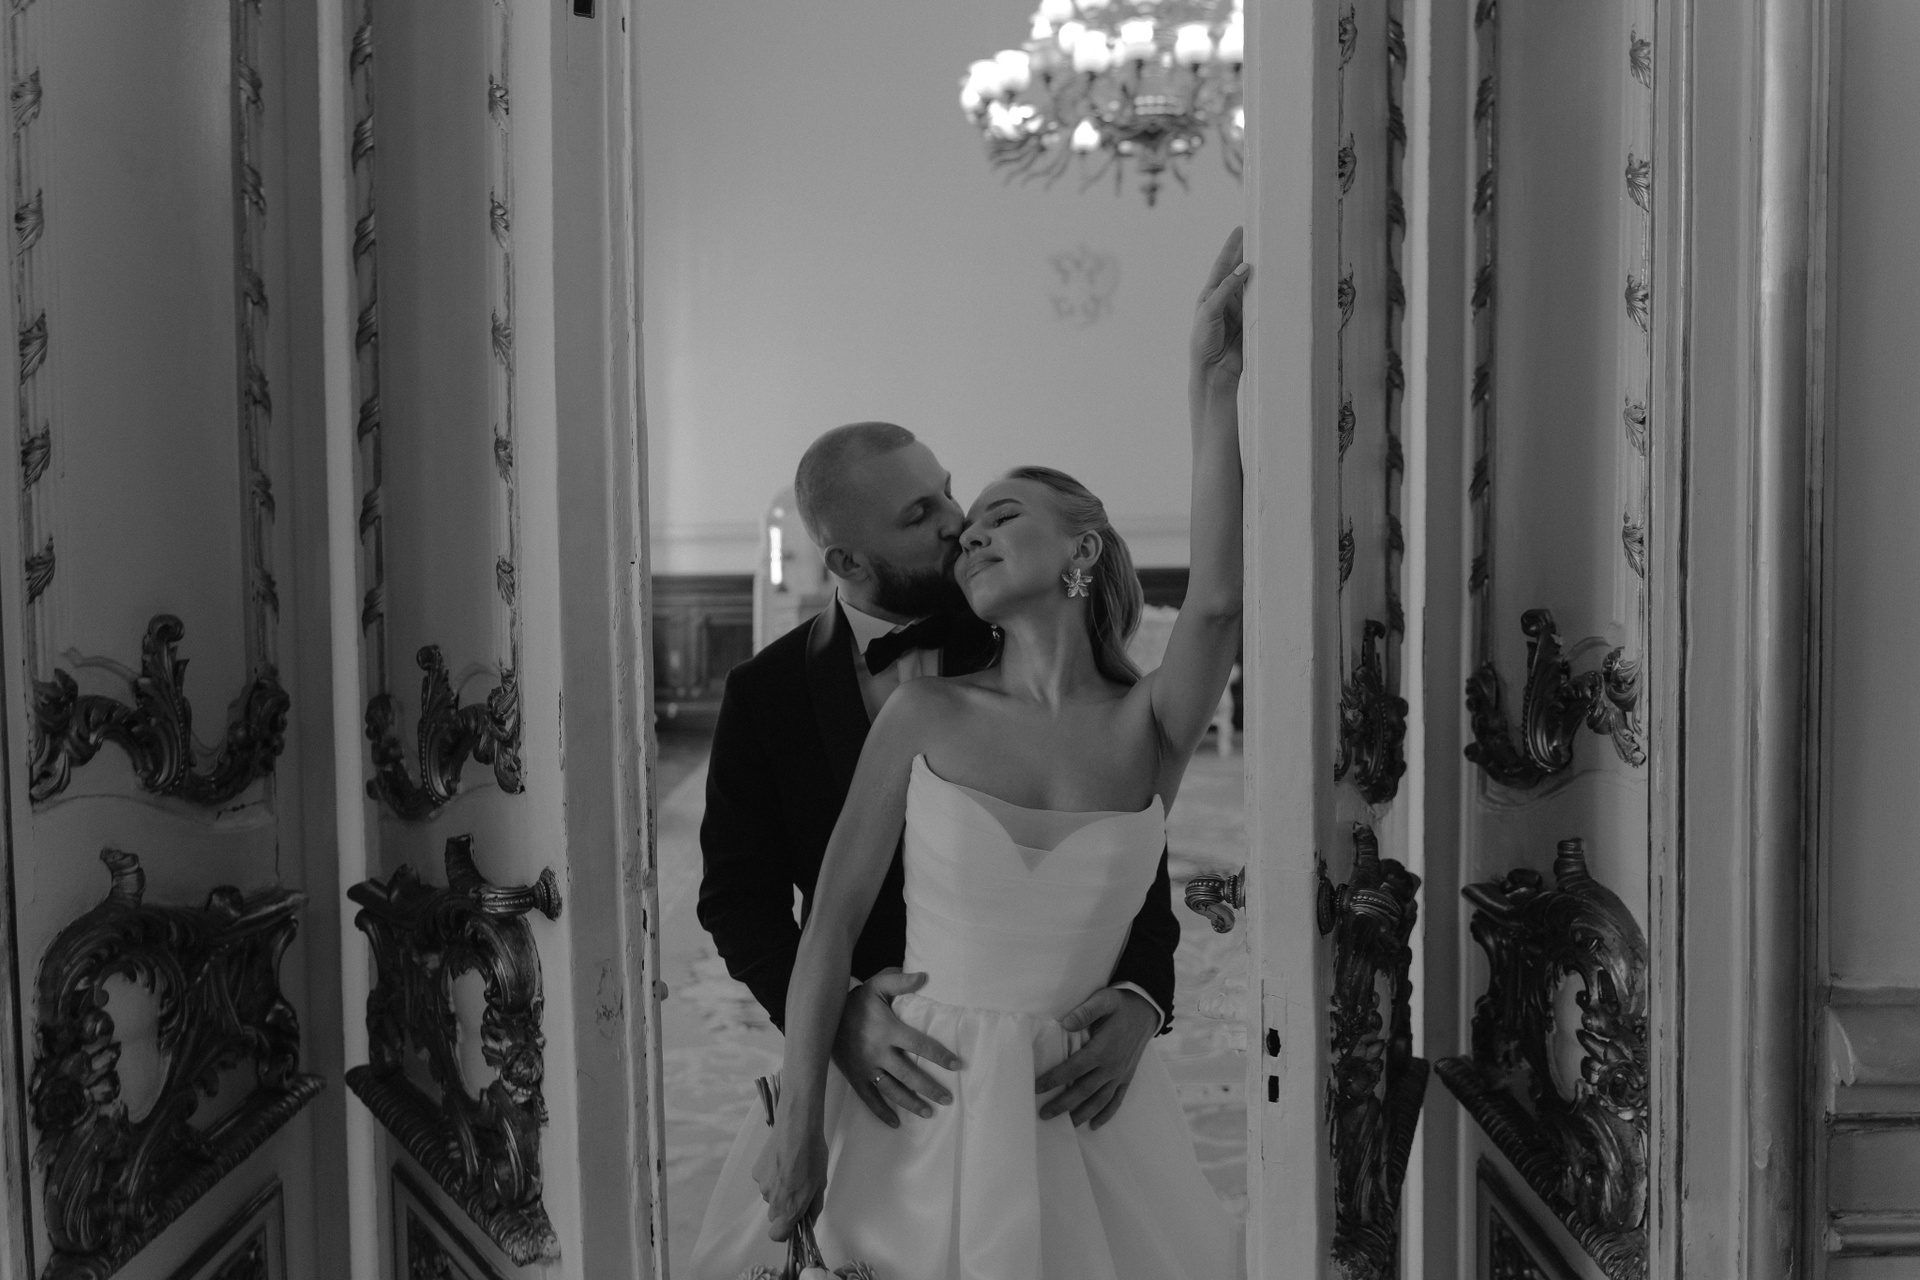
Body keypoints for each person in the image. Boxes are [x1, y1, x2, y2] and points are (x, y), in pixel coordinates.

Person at [691, 228, 1249, 1279]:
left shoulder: (1090, 685)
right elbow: (754, 903)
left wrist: (1141, 998)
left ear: (1077, 551)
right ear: (849, 559)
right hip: (907, 1082)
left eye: (971, 501)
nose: (959, 528)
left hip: (1072, 1090)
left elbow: (1129, 857)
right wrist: (830, 1047)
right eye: (929, 514)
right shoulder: (803, 699)